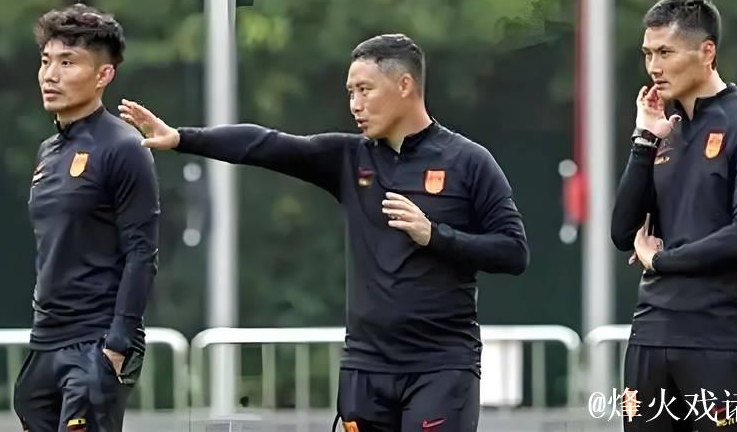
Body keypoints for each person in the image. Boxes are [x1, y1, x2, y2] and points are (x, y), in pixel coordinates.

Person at [119, 33, 528, 432]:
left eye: (365, 90)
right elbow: (266, 144)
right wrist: (182, 138)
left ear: (405, 85)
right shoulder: (350, 158)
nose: (355, 104)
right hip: (365, 369)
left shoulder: (468, 162)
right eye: (350, 92)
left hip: (441, 368)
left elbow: (513, 251)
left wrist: (435, 235)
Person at [611, 0, 737, 431]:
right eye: (648, 54)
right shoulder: (663, 130)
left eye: (665, 53)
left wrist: (660, 260)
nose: (654, 67)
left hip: (719, 341)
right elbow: (622, 232)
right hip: (649, 337)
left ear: (707, 52)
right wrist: (643, 140)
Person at [13, 4, 160, 432]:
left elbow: (142, 253)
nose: (50, 75)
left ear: (103, 75)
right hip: (45, 342)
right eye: (46, 61)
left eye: (67, 62)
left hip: (95, 342)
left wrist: (116, 346)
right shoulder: (48, 151)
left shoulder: (124, 147)